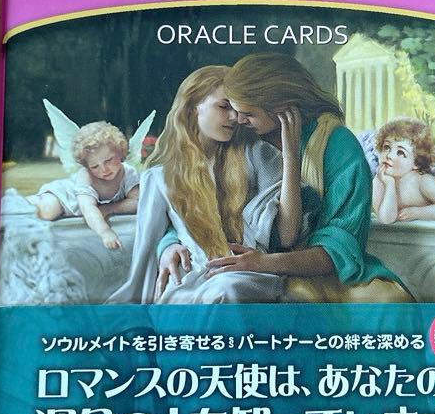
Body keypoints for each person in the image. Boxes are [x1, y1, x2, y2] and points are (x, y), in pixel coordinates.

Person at [214, 52, 412, 303]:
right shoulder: (235, 139)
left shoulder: (337, 144)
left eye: (248, 113)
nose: (238, 120)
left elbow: (340, 245)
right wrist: (170, 243)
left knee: (388, 303)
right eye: (235, 110)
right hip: (245, 265)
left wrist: (266, 262)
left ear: (281, 107)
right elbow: (185, 194)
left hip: (320, 270)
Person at [108, 65, 299, 304]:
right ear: (193, 107)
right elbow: (146, 249)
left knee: (227, 290)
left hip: (250, 277)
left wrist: (291, 157)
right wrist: (167, 247)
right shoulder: (159, 177)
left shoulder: (258, 155)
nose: (235, 117)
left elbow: (287, 236)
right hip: (190, 281)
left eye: (237, 108)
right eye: (224, 107)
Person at [33, 121, 140, 250]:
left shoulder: (128, 172)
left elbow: (137, 201)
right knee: (48, 210)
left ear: (120, 152)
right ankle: (17, 205)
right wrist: (105, 232)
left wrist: (108, 209)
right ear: (87, 166)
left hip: (87, 208)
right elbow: (88, 208)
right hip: (64, 197)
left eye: (108, 160)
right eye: (95, 166)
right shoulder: (86, 176)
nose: (104, 169)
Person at [372, 117, 435, 224]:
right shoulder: (379, 181)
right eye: (387, 147)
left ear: (416, 162)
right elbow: (386, 219)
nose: (389, 155)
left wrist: (416, 212)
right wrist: (389, 185)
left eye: (400, 153)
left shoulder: (423, 180)